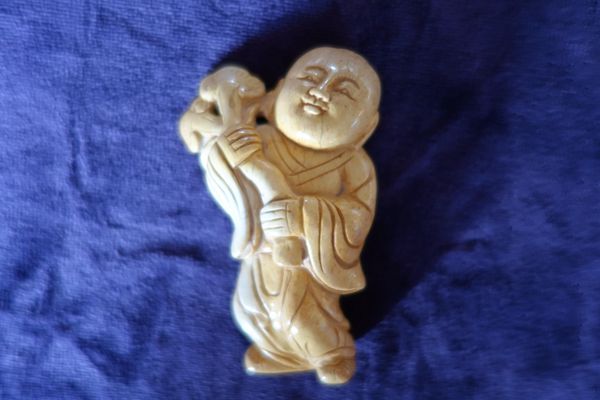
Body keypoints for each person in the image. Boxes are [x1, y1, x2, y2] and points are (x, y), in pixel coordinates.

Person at [179, 47, 380, 384]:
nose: (320, 92)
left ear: (366, 128)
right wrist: (215, 139)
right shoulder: (260, 140)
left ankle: (333, 354)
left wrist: (305, 215)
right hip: (263, 257)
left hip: (308, 263)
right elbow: (226, 174)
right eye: (311, 79)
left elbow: (359, 216)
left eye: (343, 91)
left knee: (298, 316)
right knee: (248, 311)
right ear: (279, 91)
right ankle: (277, 353)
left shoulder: (355, 164)